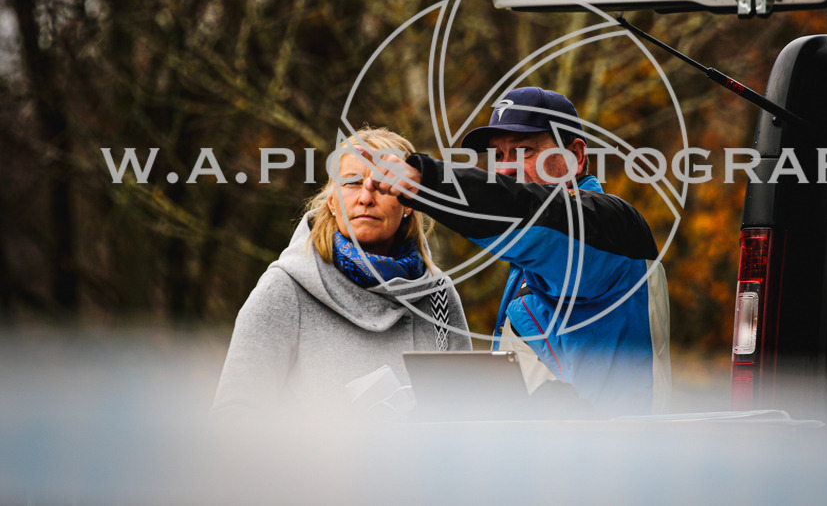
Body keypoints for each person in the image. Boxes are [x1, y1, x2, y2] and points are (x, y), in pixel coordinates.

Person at [367, 88, 671, 416]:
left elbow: (527, 209)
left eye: (524, 151)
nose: (506, 169)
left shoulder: (611, 226)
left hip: (614, 459)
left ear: (576, 157)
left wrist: (429, 182)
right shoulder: (529, 260)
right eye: (498, 156)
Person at [212, 127, 471, 416]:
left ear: (409, 202)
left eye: (384, 182)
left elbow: (464, 419)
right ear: (332, 201)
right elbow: (234, 415)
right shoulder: (285, 288)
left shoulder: (439, 297)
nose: (366, 197)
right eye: (352, 182)